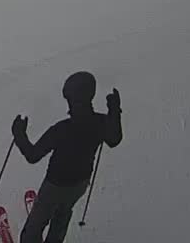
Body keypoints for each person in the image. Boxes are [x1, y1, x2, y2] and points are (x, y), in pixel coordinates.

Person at [10, 72, 122, 243]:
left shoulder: (61, 130)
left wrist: (19, 134)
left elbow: (33, 156)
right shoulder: (101, 122)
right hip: (80, 184)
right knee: (62, 215)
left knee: (35, 226)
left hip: (54, 187)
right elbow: (114, 140)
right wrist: (114, 111)